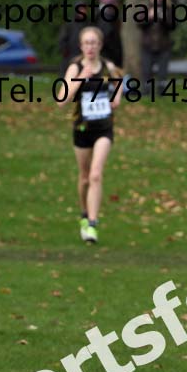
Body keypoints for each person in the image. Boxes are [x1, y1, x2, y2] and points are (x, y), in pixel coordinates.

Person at [58, 26, 122, 243]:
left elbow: (119, 81)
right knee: (84, 177)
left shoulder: (107, 67)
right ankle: (84, 214)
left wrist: (117, 98)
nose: (90, 47)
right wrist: (79, 79)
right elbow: (61, 100)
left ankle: (93, 224)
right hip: (82, 129)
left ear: (100, 45)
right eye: (86, 43)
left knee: (96, 174)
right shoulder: (75, 68)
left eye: (94, 43)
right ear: (81, 46)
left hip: (104, 128)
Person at [139, 0, 175, 92]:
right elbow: (139, 24)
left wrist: (164, 18)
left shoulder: (168, 7)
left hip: (163, 45)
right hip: (147, 45)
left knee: (162, 72)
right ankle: (146, 91)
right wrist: (148, 17)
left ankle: (161, 91)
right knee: (146, 70)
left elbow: (173, 25)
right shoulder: (144, 7)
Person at [58, 1, 87, 77]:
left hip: (83, 54)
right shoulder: (69, 24)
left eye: (84, 9)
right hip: (70, 55)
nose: (82, 11)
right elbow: (62, 39)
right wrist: (65, 51)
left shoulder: (88, 23)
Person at [96, 0, 123, 68]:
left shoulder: (111, 18)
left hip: (110, 57)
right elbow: (106, 39)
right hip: (108, 58)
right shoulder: (106, 19)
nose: (117, 5)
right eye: (115, 3)